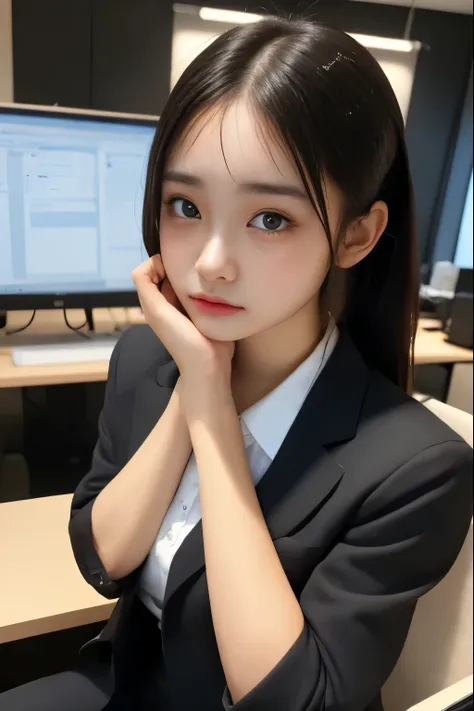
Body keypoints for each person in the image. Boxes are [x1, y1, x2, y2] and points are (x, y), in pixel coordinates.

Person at [1, 15, 472, 711]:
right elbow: (103, 559)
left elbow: (291, 696)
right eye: (185, 205)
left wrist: (215, 416)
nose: (211, 263)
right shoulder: (144, 357)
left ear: (357, 234)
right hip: (125, 683)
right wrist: (195, 381)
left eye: (271, 218)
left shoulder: (417, 466)